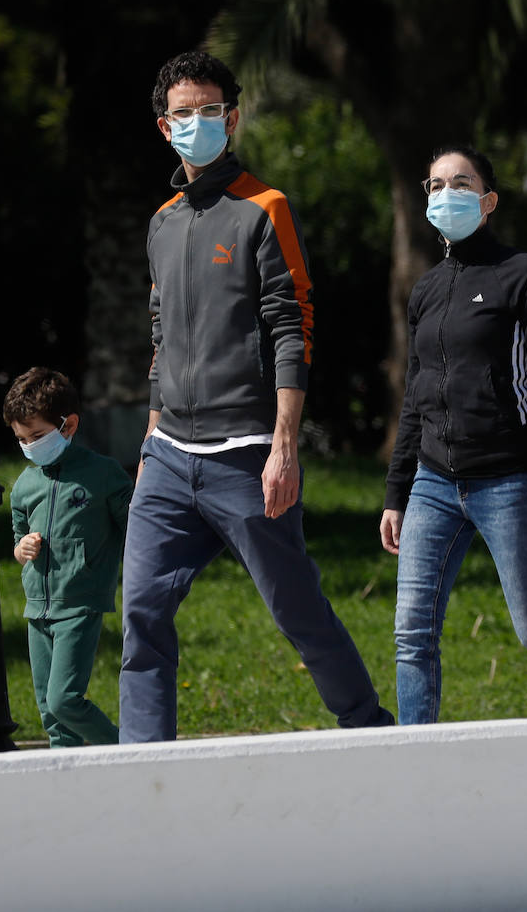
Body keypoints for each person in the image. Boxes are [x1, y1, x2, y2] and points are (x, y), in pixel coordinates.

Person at [119, 50, 393, 742]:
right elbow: (160, 337)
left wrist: (284, 445)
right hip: (170, 456)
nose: (197, 123)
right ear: (163, 126)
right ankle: (141, 764)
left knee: (295, 608)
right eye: (184, 114)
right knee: (142, 612)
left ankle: (366, 727)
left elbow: (292, 325)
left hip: (246, 455)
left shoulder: (265, 208)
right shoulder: (161, 221)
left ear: (232, 117)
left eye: (210, 111)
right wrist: (151, 442)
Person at [379, 145, 527, 724]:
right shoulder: (427, 288)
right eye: (435, 185)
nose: (446, 194)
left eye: (461, 183)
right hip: (433, 483)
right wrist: (396, 493)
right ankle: (416, 758)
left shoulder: (524, 275)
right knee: (411, 630)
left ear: (489, 200)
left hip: (511, 479)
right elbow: (415, 394)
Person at [4, 367, 133, 747]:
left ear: (68, 425)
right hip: (37, 608)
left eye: (38, 435)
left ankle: (128, 753)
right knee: (49, 711)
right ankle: (66, 782)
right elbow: (16, 541)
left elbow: (138, 530)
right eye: (22, 439)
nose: (30, 445)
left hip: (80, 604)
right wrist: (21, 548)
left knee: (64, 701)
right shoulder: (25, 485)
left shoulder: (104, 474)